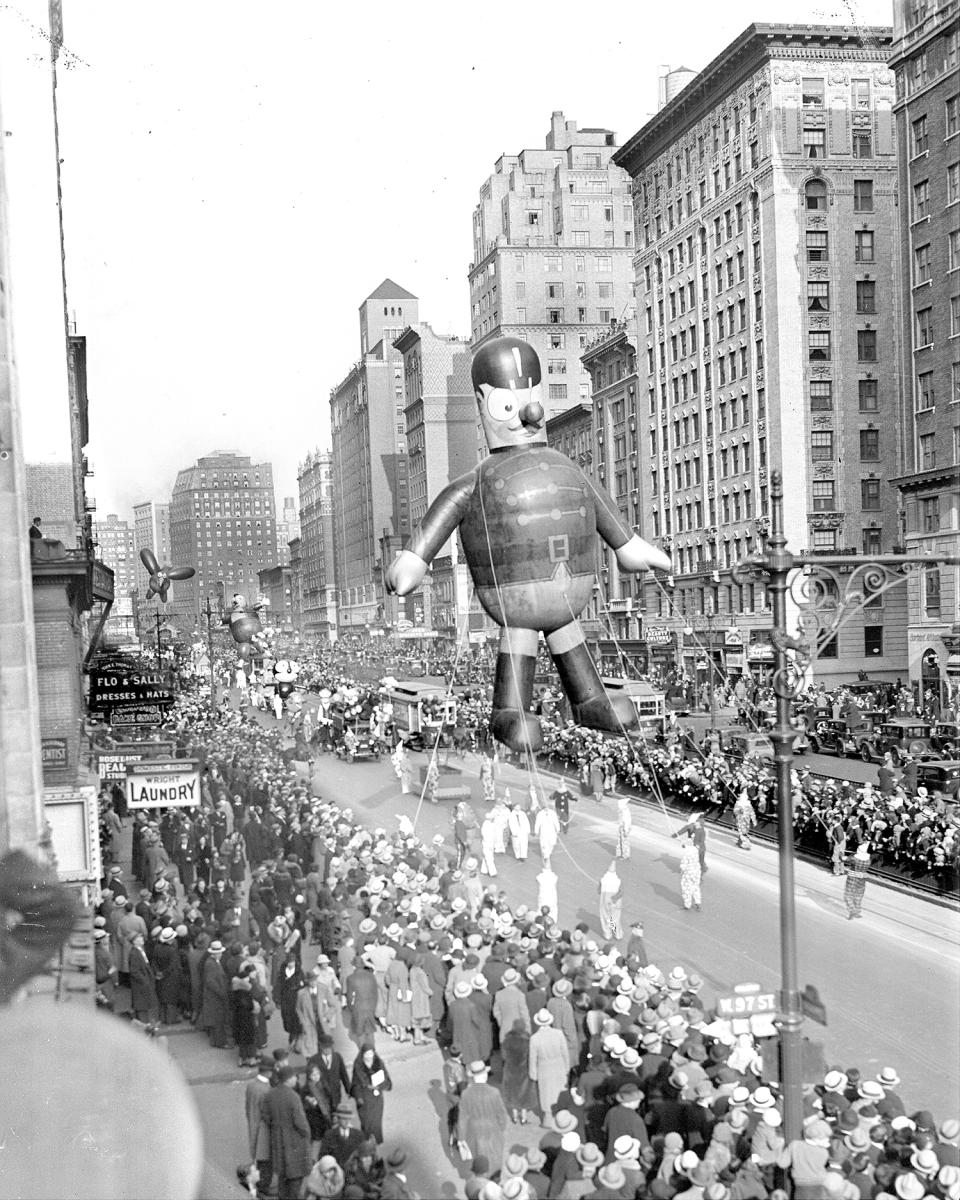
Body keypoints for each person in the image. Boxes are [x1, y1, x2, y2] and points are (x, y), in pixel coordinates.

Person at [258, 1065, 312, 1200]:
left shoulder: (271, 1093)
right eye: (294, 1076)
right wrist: (307, 1134)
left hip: (278, 1139)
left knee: (282, 1175)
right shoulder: (293, 1096)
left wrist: (275, 1126)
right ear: (288, 1079)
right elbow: (300, 1122)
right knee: (296, 1175)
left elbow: (265, 1115)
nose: (296, 1079)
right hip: (294, 1140)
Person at [457, 1060, 510, 1172]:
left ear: (472, 1076)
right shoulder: (494, 1092)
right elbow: (502, 1115)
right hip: (493, 1130)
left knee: (479, 1160)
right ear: (485, 1074)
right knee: (495, 1158)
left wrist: (461, 1138)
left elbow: (462, 1119)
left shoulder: (465, 1094)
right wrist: (501, 1128)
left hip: (474, 1132)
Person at [528, 1009, 570, 1124]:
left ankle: (548, 1118)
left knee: (546, 1093)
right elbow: (565, 1052)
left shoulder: (534, 1038)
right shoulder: (559, 1033)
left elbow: (533, 1058)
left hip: (544, 1068)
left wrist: (533, 1074)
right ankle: (562, 1118)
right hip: (559, 1065)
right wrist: (567, 1067)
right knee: (560, 1091)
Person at [351, 1042, 392, 1144]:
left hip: (377, 1099)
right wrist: (359, 1098)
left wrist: (380, 1086)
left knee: (376, 1123)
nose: (369, 1056)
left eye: (371, 1053)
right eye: (366, 1054)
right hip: (365, 1099)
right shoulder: (358, 1066)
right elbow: (355, 1085)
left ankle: (376, 1145)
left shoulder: (379, 1063)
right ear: (362, 1054)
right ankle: (367, 1145)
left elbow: (386, 1078)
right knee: (366, 1124)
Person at [501, 1018, 536, 1125]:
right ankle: (524, 1118)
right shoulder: (527, 1040)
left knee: (512, 1093)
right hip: (524, 1071)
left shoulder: (507, 1040)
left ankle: (515, 1117)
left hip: (510, 1070)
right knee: (524, 1093)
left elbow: (503, 1056)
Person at [128, 932, 159, 1025]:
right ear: (134, 941)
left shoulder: (140, 950)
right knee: (141, 1007)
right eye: (139, 938)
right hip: (140, 985)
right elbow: (134, 971)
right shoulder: (134, 953)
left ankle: (145, 1024)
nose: (142, 940)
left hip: (143, 984)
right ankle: (144, 1026)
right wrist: (145, 981)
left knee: (144, 1006)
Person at [597, 860, 624, 940]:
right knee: (615, 918)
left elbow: (598, 891)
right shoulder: (618, 881)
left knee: (605, 917)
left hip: (604, 901)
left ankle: (607, 934)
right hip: (615, 902)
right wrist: (614, 899)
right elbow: (621, 892)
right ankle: (617, 934)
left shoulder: (603, 880)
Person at [844, 843, 871, 920]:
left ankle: (852, 910)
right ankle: (857, 911)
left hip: (852, 878)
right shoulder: (868, 860)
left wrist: (840, 853)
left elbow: (843, 858)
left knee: (848, 895)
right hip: (862, 879)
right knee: (858, 896)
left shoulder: (854, 858)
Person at [678, 832, 702, 912]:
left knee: (686, 888)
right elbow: (689, 847)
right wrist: (685, 846)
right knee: (695, 886)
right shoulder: (697, 848)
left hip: (689, 871)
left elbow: (684, 862)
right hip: (697, 871)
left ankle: (687, 905)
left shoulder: (688, 851)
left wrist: (682, 869)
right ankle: (697, 902)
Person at [535, 804, 561, 869]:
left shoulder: (552, 813)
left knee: (552, 843)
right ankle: (546, 855)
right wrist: (536, 831)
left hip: (552, 831)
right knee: (544, 844)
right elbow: (537, 823)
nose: (546, 808)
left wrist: (558, 829)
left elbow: (556, 821)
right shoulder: (540, 814)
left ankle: (549, 852)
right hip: (544, 831)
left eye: (547, 807)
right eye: (544, 807)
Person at [615, 794, 632, 859]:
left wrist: (626, 830)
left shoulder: (625, 811)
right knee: (621, 840)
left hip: (624, 827)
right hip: (622, 827)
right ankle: (620, 853)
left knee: (624, 841)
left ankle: (625, 855)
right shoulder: (623, 810)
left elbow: (627, 821)